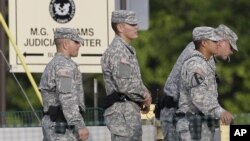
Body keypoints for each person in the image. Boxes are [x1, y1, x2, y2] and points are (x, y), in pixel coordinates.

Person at [159, 24, 238, 141]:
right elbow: (197, 95)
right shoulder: (196, 56)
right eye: (230, 47)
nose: (231, 51)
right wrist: (219, 111)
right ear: (221, 41)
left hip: (192, 117)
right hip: (176, 112)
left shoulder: (207, 56)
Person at [101, 10, 152, 141]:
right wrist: (144, 96)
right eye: (132, 24)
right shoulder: (118, 52)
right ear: (120, 27)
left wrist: (145, 93)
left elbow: (134, 80)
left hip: (128, 113)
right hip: (122, 115)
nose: (137, 27)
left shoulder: (126, 50)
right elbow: (125, 85)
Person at [39, 27, 89, 141]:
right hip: (61, 129)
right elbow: (67, 97)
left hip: (56, 127)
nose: (79, 45)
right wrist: (79, 125)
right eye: (76, 42)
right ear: (65, 44)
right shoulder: (63, 66)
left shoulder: (55, 64)